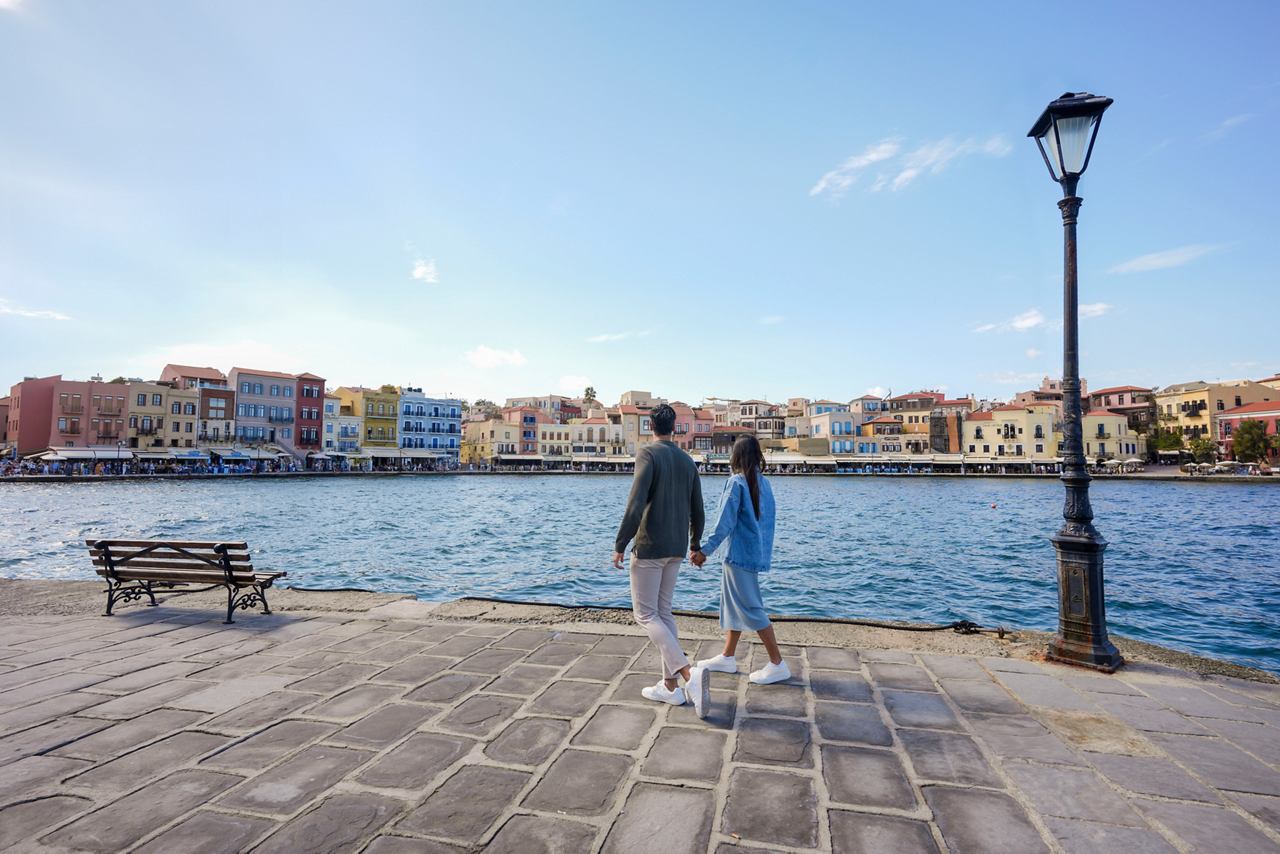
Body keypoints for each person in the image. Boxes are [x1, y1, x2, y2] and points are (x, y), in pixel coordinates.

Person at [613, 403, 709, 717]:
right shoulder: (687, 460)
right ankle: (670, 689)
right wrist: (694, 543)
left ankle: (687, 675)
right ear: (676, 427)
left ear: (650, 425)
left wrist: (620, 543)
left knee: (645, 615)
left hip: (651, 546)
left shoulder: (648, 454)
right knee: (664, 612)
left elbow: (636, 502)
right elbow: (698, 510)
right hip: (677, 547)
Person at [691, 434, 790, 684]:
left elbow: (724, 523)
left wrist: (704, 550)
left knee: (752, 608)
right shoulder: (763, 482)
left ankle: (778, 663)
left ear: (736, 456)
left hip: (738, 555)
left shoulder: (737, 482)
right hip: (754, 554)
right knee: (732, 605)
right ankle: (727, 656)